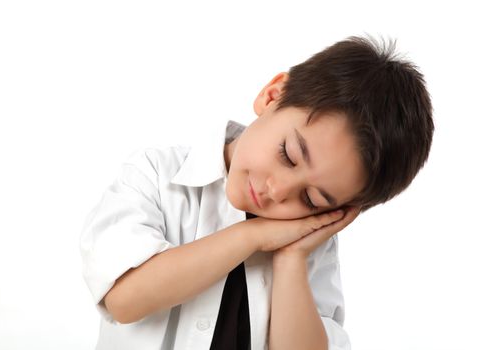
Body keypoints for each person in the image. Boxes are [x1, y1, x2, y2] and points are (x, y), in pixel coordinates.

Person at [79, 35, 434, 350]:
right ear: (272, 95)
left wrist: (291, 258)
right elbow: (124, 300)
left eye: (312, 199)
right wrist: (253, 235)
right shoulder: (158, 175)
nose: (276, 191)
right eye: (288, 155)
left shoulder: (311, 245)